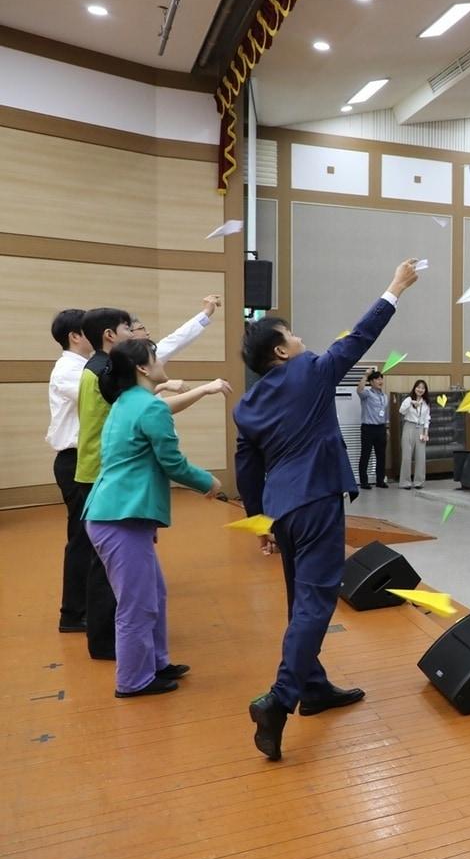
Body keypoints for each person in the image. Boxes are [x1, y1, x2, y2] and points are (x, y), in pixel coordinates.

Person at [235, 258, 419, 761]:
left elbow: (247, 468)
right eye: (292, 335)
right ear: (280, 350)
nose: (301, 339)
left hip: (282, 509)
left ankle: (312, 686)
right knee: (316, 602)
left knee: (300, 600)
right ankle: (279, 700)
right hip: (317, 501)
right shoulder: (310, 371)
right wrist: (394, 287)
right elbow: (359, 338)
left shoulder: (247, 405)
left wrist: (260, 521)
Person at [75, 303, 226, 661]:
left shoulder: (127, 401)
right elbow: (172, 462)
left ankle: (157, 662)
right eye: (155, 358)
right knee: (137, 605)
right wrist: (208, 483)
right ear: (142, 368)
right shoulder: (147, 405)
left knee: (153, 595)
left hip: (116, 512)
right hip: (119, 515)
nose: (161, 363)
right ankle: (134, 680)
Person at [47, 308, 94, 633]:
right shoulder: (67, 370)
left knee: (90, 536)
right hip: (74, 460)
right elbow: (100, 397)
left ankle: (86, 608)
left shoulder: (84, 367)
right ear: (75, 336)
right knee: (81, 538)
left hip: (84, 459)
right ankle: (73, 614)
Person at [355, 370, 389, 489]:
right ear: (371, 382)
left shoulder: (384, 396)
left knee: (381, 456)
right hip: (368, 428)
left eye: (381, 379)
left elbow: (385, 413)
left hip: (381, 428)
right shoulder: (367, 394)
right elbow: (359, 390)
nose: (380, 381)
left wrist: (387, 428)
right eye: (377, 379)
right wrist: (365, 375)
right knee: (366, 455)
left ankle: (380, 481)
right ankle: (364, 482)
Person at [398, 379, 432, 489]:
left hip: (421, 429)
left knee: (421, 456)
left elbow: (427, 418)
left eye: (423, 388)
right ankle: (405, 482)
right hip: (409, 427)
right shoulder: (408, 399)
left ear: (425, 390)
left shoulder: (426, 402)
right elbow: (401, 411)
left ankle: (419, 482)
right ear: (414, 388)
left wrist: (426, 432)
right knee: (406, 456)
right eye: (418, 387)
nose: (420, 390)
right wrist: (411, 403)